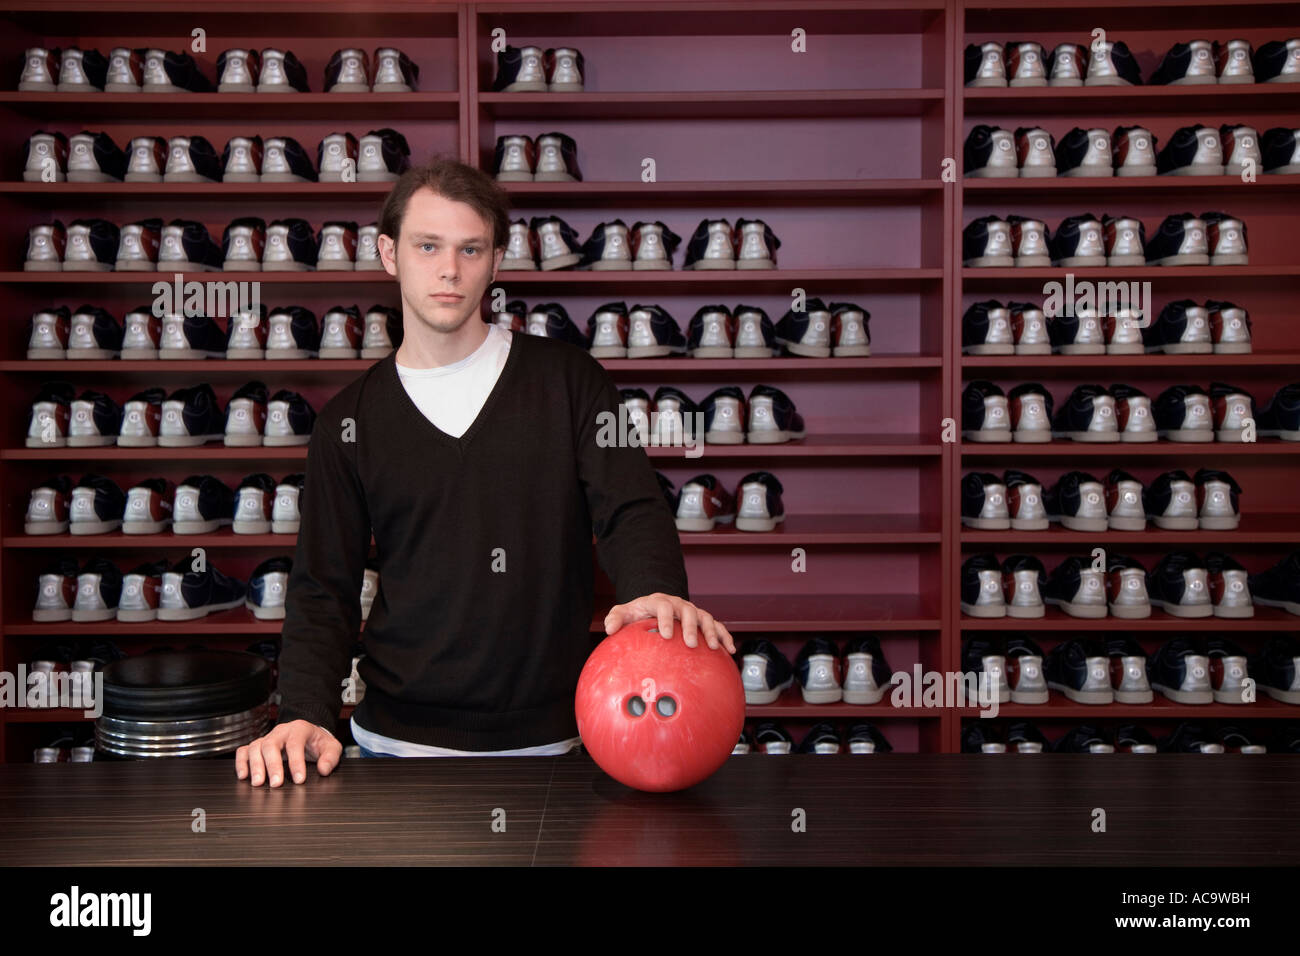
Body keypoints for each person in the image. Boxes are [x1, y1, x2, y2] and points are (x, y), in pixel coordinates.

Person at [236, 157, 735, 787]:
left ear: (496, 260)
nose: (450, 269)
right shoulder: (347, 422)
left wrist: (653, 591)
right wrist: (304, 711)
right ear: (389, 254)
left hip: (556, 739)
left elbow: (630, 509)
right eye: (428, 246)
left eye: (471, 248)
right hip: (394, 745)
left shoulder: (569, 381)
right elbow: (321, 588)